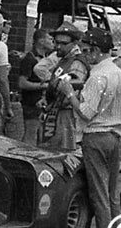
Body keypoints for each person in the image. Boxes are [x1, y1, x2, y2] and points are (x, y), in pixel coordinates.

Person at [63, 27, 121, 228]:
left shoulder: (98, 75)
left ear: (98, 51)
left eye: (89, 50)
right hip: (115, 135)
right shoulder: (118, 72)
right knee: (111, 192)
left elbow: (86, 112)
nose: (86, 54)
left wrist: (70, 93)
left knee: (98, 192)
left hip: (96, 135)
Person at [37, 22, 88, 151]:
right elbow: (55, 84)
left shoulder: (77, 63)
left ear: (75, 44)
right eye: (57, 42)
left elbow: (70, 93)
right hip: (56, 115)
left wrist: (52, 103)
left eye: (64, 44)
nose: (58, 46)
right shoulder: (63, 60)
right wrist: (46, 99)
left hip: (68, 117)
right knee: (51, 150)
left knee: (66, 153)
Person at [12, 29, 53, 144]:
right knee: (31, 134)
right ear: (40, 41)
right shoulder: (29, 59)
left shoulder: (46, 59)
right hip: (31, 104)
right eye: (50, 39)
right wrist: (44, 86)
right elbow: (22, 83)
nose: (52, 42)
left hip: (42, 104)